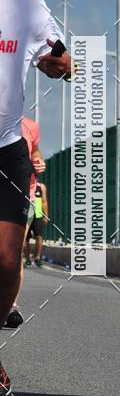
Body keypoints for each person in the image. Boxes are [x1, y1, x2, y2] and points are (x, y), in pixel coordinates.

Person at [0, 0, 72, 396]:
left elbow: (64, 59)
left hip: (6, 150)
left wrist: (59, 66)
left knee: (6, 261)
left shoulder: (26, 2)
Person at [5, 116, 45, 328]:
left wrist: (38, 162)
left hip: (23, 194)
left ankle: (10, 305)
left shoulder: (31, 126)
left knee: (13, 250)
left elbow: (35, 153)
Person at [23, 177, 48, 268]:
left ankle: (37, 257)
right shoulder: (24, 186)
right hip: (26, 214)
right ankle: (27, 259)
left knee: (39, 236)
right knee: (26, 238)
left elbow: (44, 202)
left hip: (38, 214)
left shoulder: (41, 186)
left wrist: (46, 215)